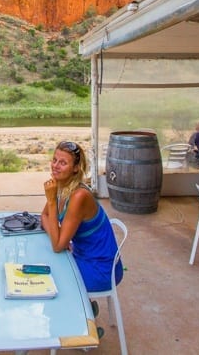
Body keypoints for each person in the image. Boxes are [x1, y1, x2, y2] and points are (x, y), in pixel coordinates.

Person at [40, 140, 123, 338]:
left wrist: (51, 203)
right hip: (82, 256)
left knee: (49, 281)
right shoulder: (61, 185)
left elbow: (58, 245)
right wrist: (58, 234)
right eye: (54, 160)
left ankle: (81, 331)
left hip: (102, 268)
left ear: (76, 168)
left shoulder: (79, 196)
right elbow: (43, 217)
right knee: (44, 266)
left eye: (63, 163)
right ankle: (84, 311)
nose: (55, 166)